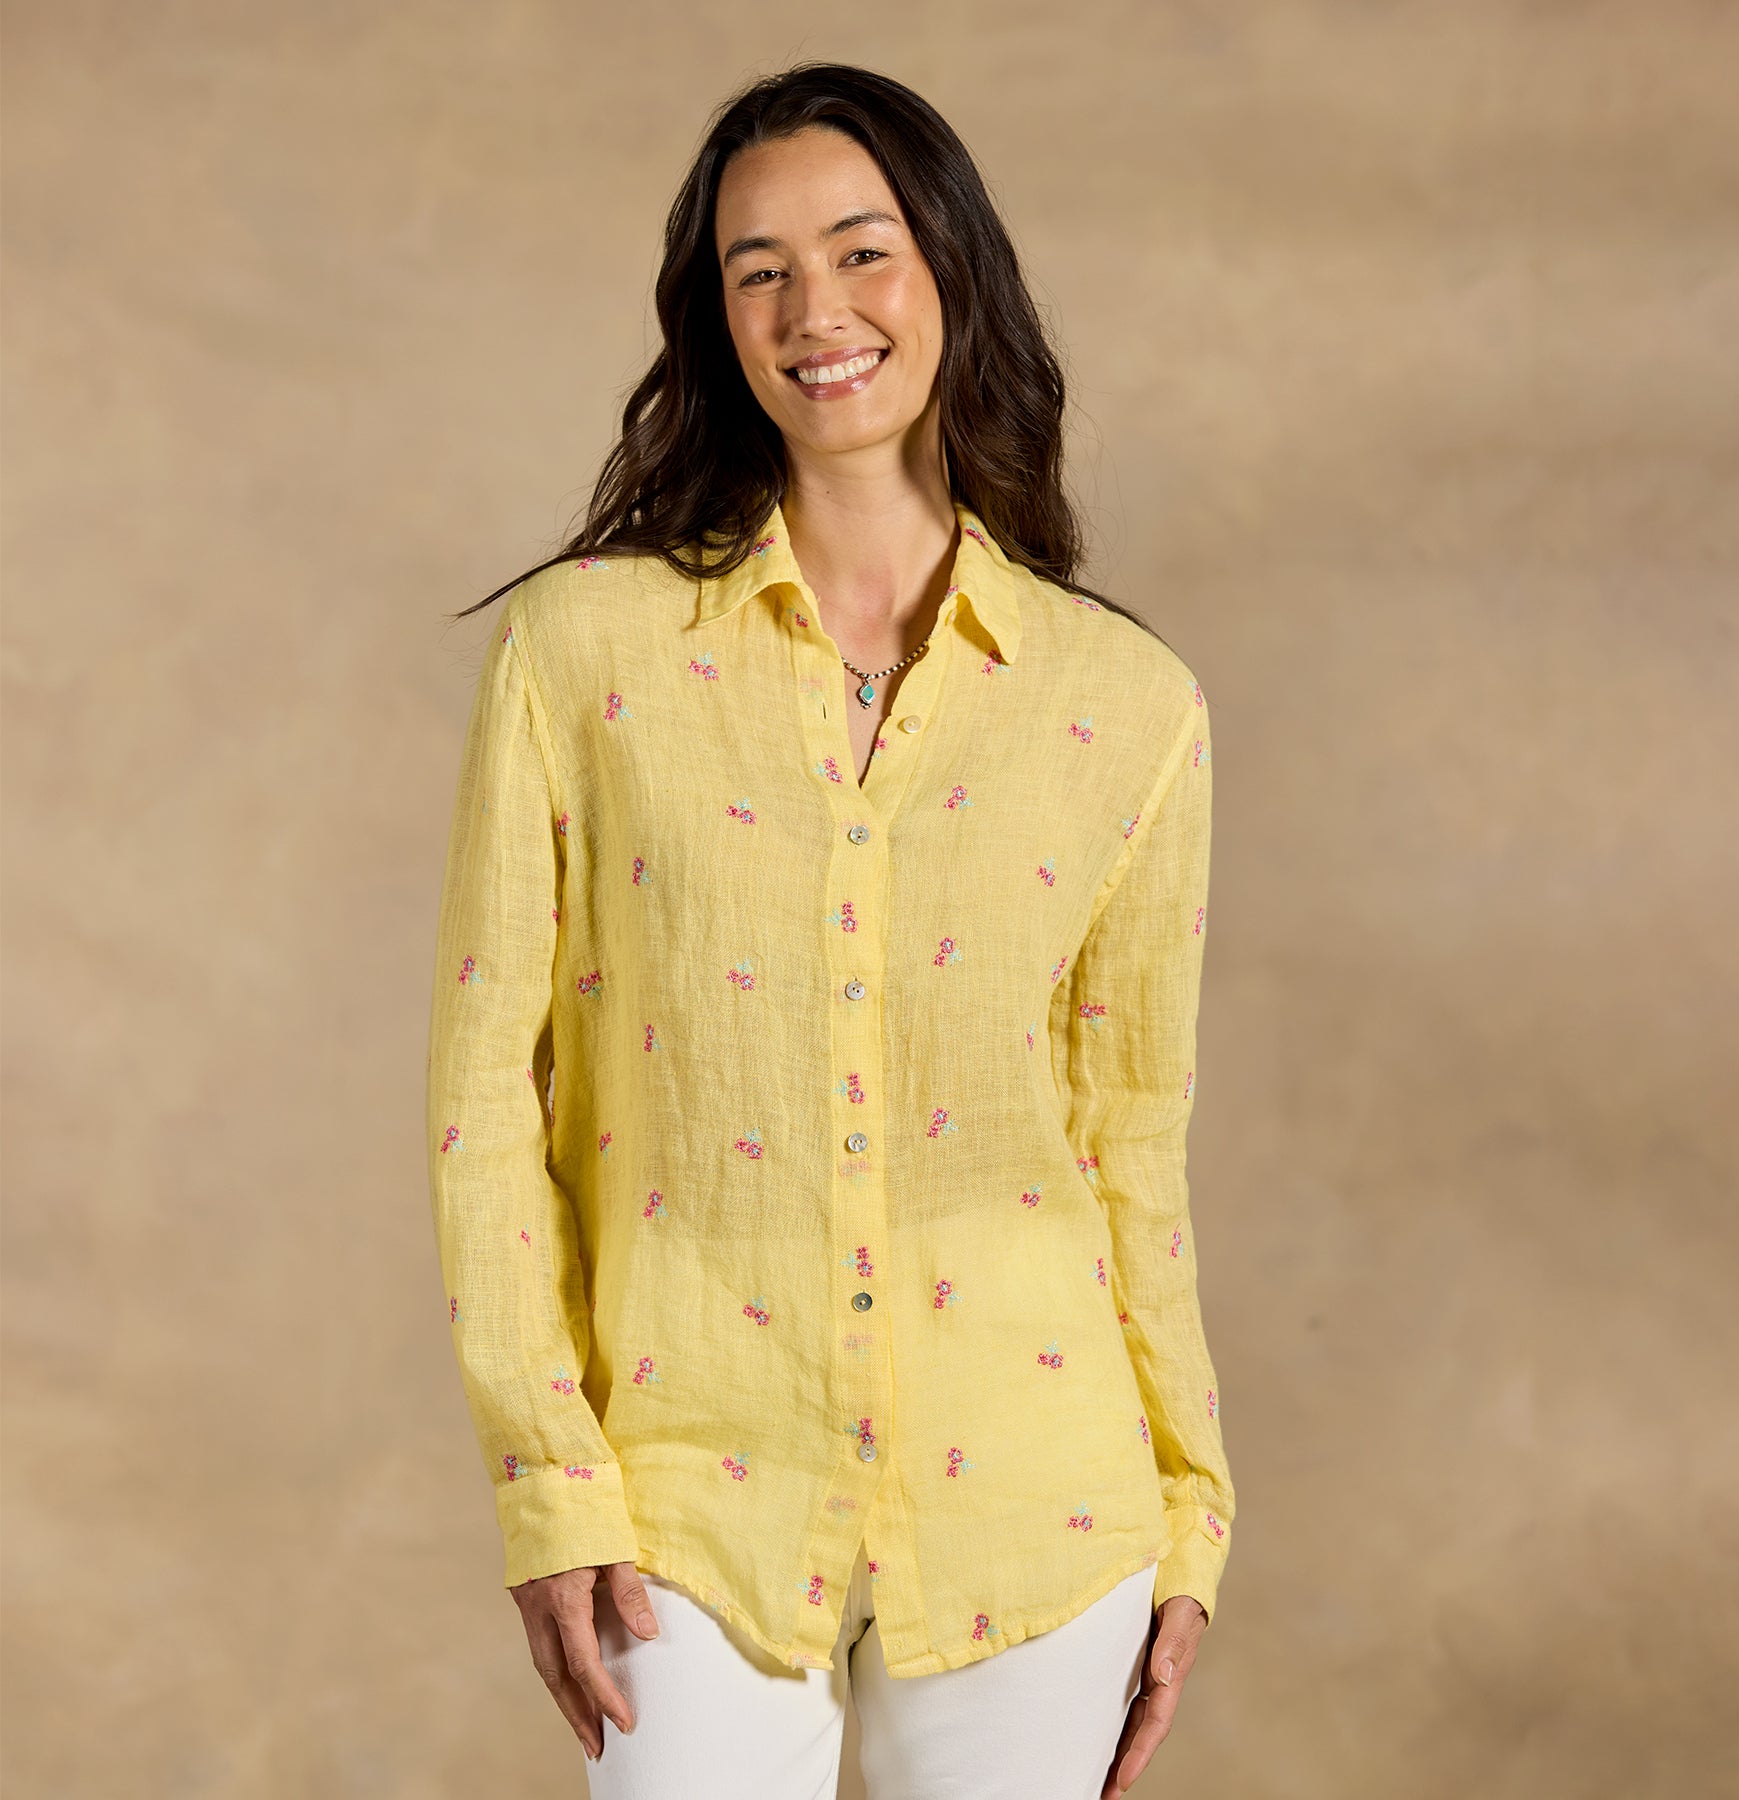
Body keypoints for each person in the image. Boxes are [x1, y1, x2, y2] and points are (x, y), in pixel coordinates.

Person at [424, 61, 1236, 1800]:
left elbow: (1129, 1146)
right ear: (716, 321)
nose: (816, 312)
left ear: (951, 268)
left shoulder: (1128, 706)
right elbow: (487, 1097)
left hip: (1040, 1498)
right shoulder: (580, 655)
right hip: (684, 1485)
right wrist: (550, 1483)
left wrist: (1192, 1510)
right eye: (760, 271)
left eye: (862, 251)